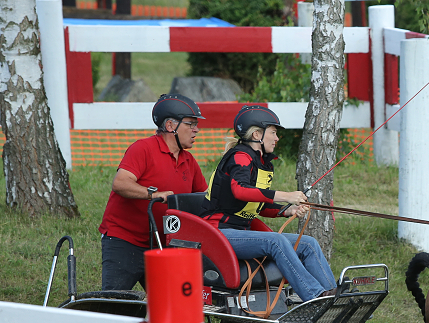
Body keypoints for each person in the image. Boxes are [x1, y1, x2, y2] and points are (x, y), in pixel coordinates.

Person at [200, 105, 338, 301]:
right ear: (257, 134)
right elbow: (240, 190)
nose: (277, 138)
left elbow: (258, 202)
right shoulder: (240, 156)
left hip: (241, 232)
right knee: (276, 241)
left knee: (308, 243)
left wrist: (287, 211)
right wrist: (287, 196)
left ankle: (333, 298)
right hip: (218, 233)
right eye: (273, 132)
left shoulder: (261, 163)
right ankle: (315, 295)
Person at [98, 93, 207, 290]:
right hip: (125, 240)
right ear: (171, 126)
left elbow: (204, 200)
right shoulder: (143, 149)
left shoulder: (189, 161)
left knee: (172, 306)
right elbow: (120, 183)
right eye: (190, 124)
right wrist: (154, 194)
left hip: (163, 244)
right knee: (115, 305)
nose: (196, 130)